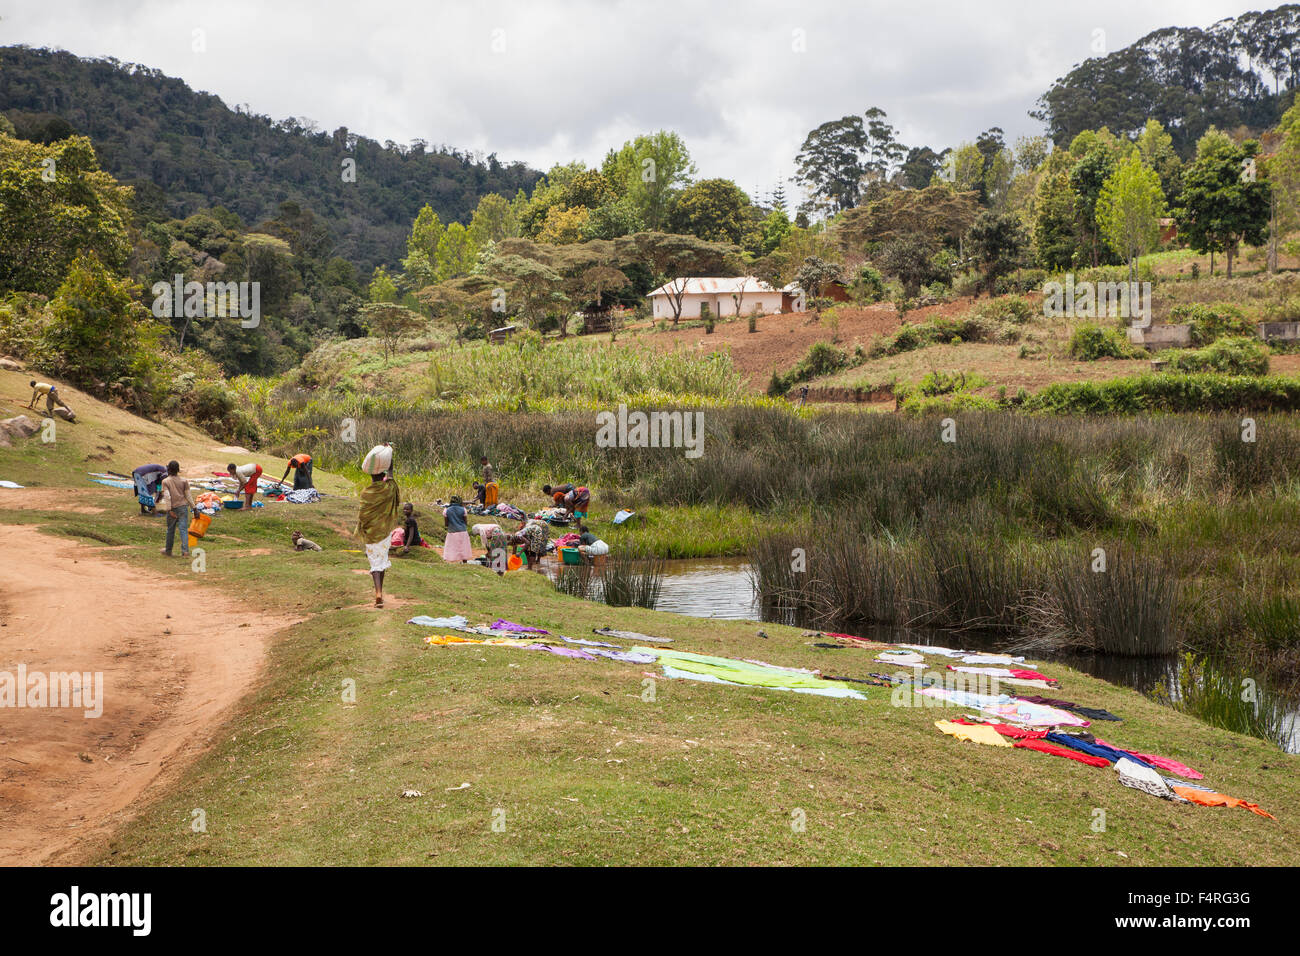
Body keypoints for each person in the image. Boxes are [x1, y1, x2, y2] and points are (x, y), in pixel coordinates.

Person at [355, 444, 401, 608]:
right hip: (384, 532)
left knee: (375, 562)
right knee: (382, 561)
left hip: (371, 533)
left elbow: (362, 515)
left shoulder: (366, 493)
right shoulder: (388, 488)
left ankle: (378, 593)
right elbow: (391, 476)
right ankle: (379, 592)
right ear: (382, 474)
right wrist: (390, 462)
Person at [158, 460, 197, 558]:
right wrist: (195, 509)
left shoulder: (166, 481)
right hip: (183, 507)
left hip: (173, 508)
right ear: (178, 470)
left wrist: (169, 509)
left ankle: (168, 550)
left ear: (169, 470)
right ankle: (185, 552)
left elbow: (167, 496)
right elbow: (188, 496)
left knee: (170, 530)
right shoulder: (184, 481)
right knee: (183, 530)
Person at [442, 495, 473, 563]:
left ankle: (451, 561)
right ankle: (465, 561)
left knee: (451, 547)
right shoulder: (463, 509)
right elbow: (465, 522)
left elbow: (446, 524)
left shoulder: (446, 510)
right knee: (463, 547)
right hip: (462, 531)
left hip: (452, 531)